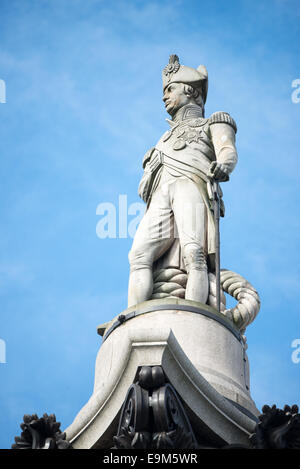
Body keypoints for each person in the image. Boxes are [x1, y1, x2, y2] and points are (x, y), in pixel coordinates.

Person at [128, 55, 238, 307]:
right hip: (162, 194)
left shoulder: (214, 122)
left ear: (190, 91)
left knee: (193, 254)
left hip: (192, 187)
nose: (164, 96)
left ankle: (193, 311)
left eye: (170, 89)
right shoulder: (162, 140)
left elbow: (227, 150)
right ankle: (132, 313)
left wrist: (223, 166)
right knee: (139, 255)